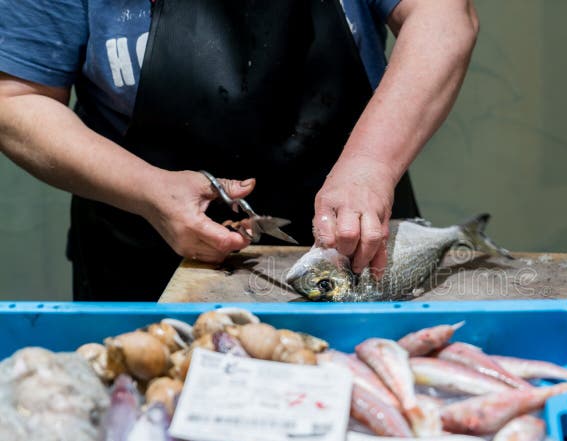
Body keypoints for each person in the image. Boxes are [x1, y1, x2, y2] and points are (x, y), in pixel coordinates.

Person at [0, 0, 479, 300]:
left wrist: (370, 163)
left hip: (355, 244)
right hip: (142, 258)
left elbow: (443, 16)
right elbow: (16, 99)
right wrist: (147, 190)